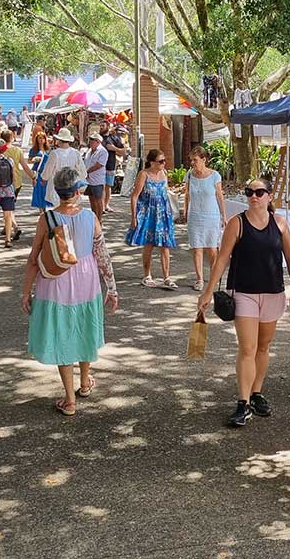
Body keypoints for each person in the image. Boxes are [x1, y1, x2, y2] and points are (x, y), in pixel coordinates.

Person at [198, 177, 290, 427]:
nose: (253, 196)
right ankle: (242, 403)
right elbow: (221, 260)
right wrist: (207, 291)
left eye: (259, 192)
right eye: (249, 192)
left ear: (269, 195)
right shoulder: (237, 223)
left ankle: (256, 393)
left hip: (273, 292)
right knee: (247, 347)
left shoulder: (280, 223)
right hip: (243, 292)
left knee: (263, 347)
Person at [22, 167, 119, 416]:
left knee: (63, 334)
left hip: (55, 282)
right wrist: (112, 287)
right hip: (86, 280)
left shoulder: (47, 219)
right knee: (84, 327)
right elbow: (102, 255)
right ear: (77, 192)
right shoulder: (90, 218)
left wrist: (26, 292)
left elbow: (34, 258)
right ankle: (85, 382)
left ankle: (69, 399)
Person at [125, 149, 178, 289]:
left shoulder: (164, 174)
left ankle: (167, 277)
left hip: (163, 214)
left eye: (164, 160)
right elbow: (135, 196)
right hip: (148, 213)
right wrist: (134, 217)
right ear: (152, 162)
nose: (163, 163)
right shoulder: (143, 175)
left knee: (165, 245)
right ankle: (147, 274)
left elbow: (165, 194)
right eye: (161, 161)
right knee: (148, 244)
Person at [182, 146, 226, 291]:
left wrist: (223, 215)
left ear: (204, 160)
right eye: (191, 160)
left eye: (195, 160)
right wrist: (185, 211)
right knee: (197, 248)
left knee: (212, 249)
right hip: (195, 215)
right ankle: (199, 279)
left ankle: (214, 275)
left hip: (211, 216)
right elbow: (187, 194)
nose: (192, 163)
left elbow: (220, 196)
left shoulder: (215, 175)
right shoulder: (189, 175)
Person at [0, 130, 35, 239]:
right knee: (10, 206)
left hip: (4, 182)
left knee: (7, 208)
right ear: (12, 138)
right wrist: (33, 177)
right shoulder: (17, 150)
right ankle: (7, 227)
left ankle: (15, 227)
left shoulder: (0, 150)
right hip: (17, 182)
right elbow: (24, 166)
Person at [40, 127, 86, 207]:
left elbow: (48, 170)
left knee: (59, 208)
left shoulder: (55, 154)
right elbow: (83, 172)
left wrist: (44, 179)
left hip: (58, 184)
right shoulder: (76, 153)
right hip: (71, 185)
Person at [99, 120, 125, 212]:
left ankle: (106, 205)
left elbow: (123, 152)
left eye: (103, 125)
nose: (101, 127)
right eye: (100, 126)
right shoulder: (97, 138)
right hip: (99, 166)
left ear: (108, 127)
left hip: (110, 164)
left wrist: (113, 148)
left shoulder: (114, 138)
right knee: (101, 186)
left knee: (108, 186)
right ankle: (101, 206)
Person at [84, 132, 109, 220]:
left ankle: (99, 219)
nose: (90, 142)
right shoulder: (89, 151)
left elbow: (99, 165)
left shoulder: (103, 151)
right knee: (91, 199)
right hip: (89, 179)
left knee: (98, 200)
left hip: (97, 179)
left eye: (92, 141)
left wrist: (86, 171)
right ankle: (94, 218)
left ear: (98, 141)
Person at [29, 132, 50, 212]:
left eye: (43, 138)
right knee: (38, 191)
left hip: (47, 173)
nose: (41, 140)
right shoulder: (33, 150)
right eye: (39, 138)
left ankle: (44, 207)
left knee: (46, 191)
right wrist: (34, 159)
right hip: (38, 173)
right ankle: (41, 209)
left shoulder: (48, 150)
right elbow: (29, 160)